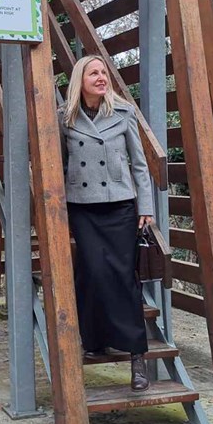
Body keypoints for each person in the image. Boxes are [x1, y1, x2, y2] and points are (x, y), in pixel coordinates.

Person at [58, 55, 154, 392]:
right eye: (93, 73)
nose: (101, 77)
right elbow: (60, 163)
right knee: (93, 272)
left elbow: (139, 164)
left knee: (124, 278)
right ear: (80, 81)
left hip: (120, 206)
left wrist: (146, 206)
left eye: (104, 73)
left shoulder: (124, 112)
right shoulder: (65, 117)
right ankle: (95, 340)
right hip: (83, 207)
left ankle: (137, 356)